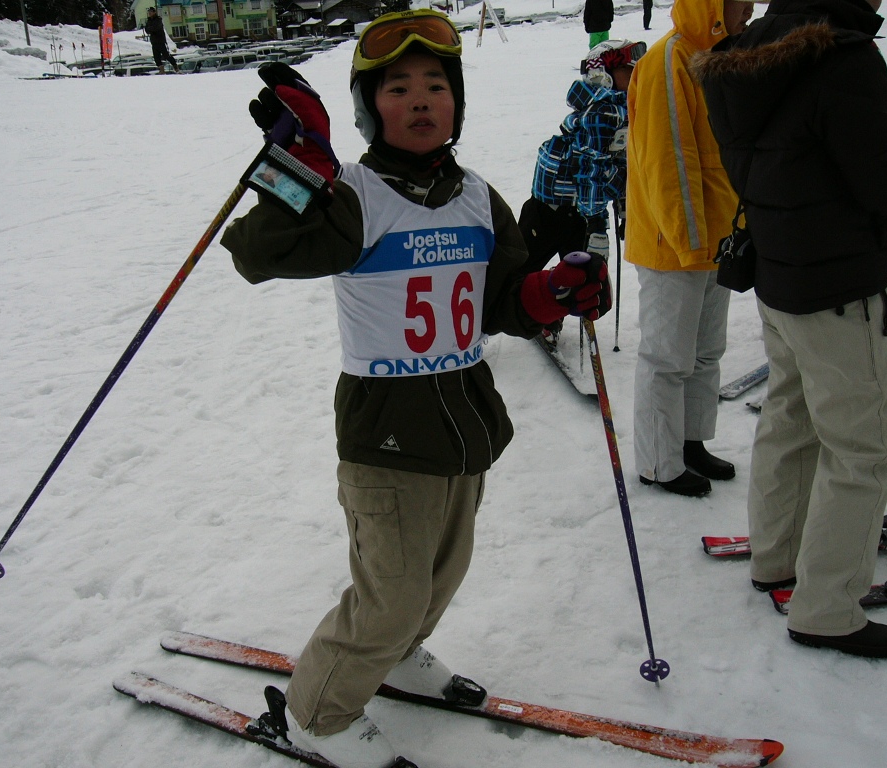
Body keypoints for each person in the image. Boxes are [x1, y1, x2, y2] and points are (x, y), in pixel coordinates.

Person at [220, 10, 610, 768]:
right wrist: (303, 165)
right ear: (371, 109)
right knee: (390, 592)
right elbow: (256, 252)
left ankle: (400, 655)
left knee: (440, 573)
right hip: (387, 431)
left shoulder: (478, 198)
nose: (422, 98)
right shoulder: (352, 197)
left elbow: (505, 300)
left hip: (463, 421)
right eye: (398, 87)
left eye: (437, 84)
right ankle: (316, 713)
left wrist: (555, 291)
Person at [693, 0, 887, 658]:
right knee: (865, 449)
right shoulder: (841, 57)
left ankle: (777, 558)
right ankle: (829, 608)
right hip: (838, 286)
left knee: (791, 417)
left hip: (782, 276)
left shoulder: (745, 55)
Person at [624, 0, 755, 498]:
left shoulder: (716, 55)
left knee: (705, 353)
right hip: (673, 243)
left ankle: (690, 441)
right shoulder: (668, 59)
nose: (749, 8)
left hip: (715, 238)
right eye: (738, 0)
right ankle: (659, 462)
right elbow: (669, 159)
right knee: (666, 357)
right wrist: (691, 239)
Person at [518, 39, 645, 345]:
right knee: (523, 267)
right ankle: (530, 314)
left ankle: (554, 315)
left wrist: (626, 207)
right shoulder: (602, 111)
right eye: (628, 69)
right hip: (553, 208)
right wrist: (597, 223)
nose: (636, 73)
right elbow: (592, 169)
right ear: (604, 73)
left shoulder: (623, 106)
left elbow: (624, 164)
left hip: (578, 208)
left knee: (578, 272)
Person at [144, 6, 179, 74]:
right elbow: (147, 30)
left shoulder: (158, 20)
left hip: (160, 41)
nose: (149, 13)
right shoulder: (149, 21)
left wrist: (151, 29)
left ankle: (175, 67)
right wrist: (150, 29)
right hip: (154, 42)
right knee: (156, 57)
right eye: (149, 12)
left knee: (166, 55)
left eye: (151, 12)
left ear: (154, 12)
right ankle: (161, 70)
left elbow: (155, 28)